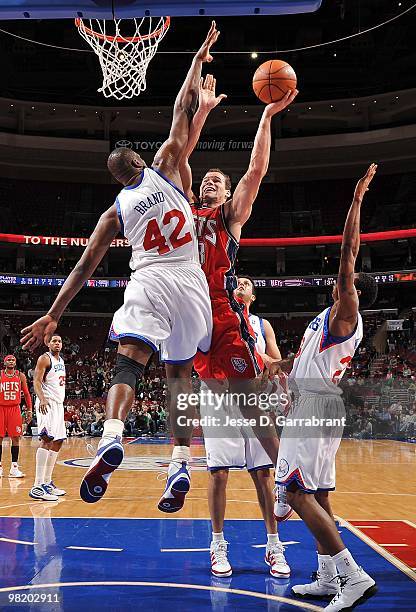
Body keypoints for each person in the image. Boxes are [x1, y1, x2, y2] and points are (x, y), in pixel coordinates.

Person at [21, 23, 220, 513]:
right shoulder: (169, 164)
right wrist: (197, 59)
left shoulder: (114, 213)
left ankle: (112, 435)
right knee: (179, 374)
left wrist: (53, 314)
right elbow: (181, 109)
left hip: (150, 278)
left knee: (128, 360)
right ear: (140, 160)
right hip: (191, 282)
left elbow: (85, 267)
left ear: (116, 176)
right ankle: (178, 461)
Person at [179, 77, 297, 512]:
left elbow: (256, 172)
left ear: (227, 194)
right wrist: (201, 112)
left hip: (223, 316)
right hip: (188, 317)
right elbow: (180, 155)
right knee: (206, 393)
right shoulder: (183, 209)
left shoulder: (229, 218)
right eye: (205, 180)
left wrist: (266, 116)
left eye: (217, 181)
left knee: (249, 402)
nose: (209, 182)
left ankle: (284, 475)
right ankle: (174, 460)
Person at [272, 165, 379, 611]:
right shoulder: (327, 321)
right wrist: (279, 363)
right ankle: (327, 575)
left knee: (294, 493)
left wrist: (355, 202)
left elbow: (348, 253)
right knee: (316, 494)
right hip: (317, 402)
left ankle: (351, 574)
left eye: (345, 283)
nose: (339, 282)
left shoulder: (345, 315)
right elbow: (303, 361)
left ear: (352, 292)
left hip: (315, 407)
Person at [202, 276, 290, 578]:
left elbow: (276, 362)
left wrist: (264, 362)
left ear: (252, 296)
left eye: (247, 283)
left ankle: (274, 545)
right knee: (219, 472)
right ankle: (217, 545)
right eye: (237, 281)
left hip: (255, 396)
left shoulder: (262, 325)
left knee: (264, 473)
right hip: (219, 397)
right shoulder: (216, 316)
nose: (241, 283)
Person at [30, 334, 67, 501]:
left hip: (58, 404)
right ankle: (37, 486)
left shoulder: (61, 361)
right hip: (47, 403)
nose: (57, 343)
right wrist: (42, 399)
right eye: (54, 341)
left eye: (59, 341)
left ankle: (47, 482)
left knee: (58, 441)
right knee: (46, 439)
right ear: (48, 343)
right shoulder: (44, 359)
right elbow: (36, 381)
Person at [0, 354, 32, 478]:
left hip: (15, 409)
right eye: (9, 360)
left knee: (16, 438)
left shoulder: (20, 375)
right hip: (1, 408)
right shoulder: (0, 374)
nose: (11, 361)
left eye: (13, 360)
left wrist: (29, 410)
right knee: (0, 438)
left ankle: (14, 467)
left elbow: (27, 394)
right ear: (4, 362)